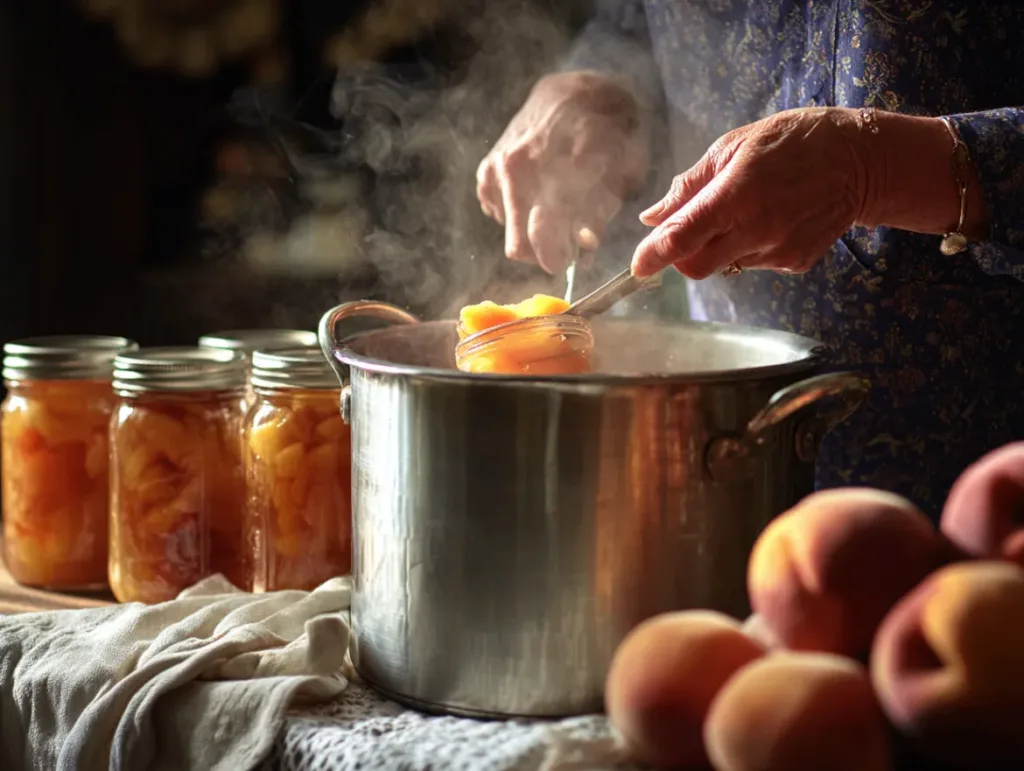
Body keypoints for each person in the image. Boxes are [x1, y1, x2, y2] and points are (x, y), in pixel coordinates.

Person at [474, 1, 1024, 522]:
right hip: (722, 453)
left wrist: (874, 167)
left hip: (983, 482)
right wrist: (605, 82)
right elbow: (635, 20)